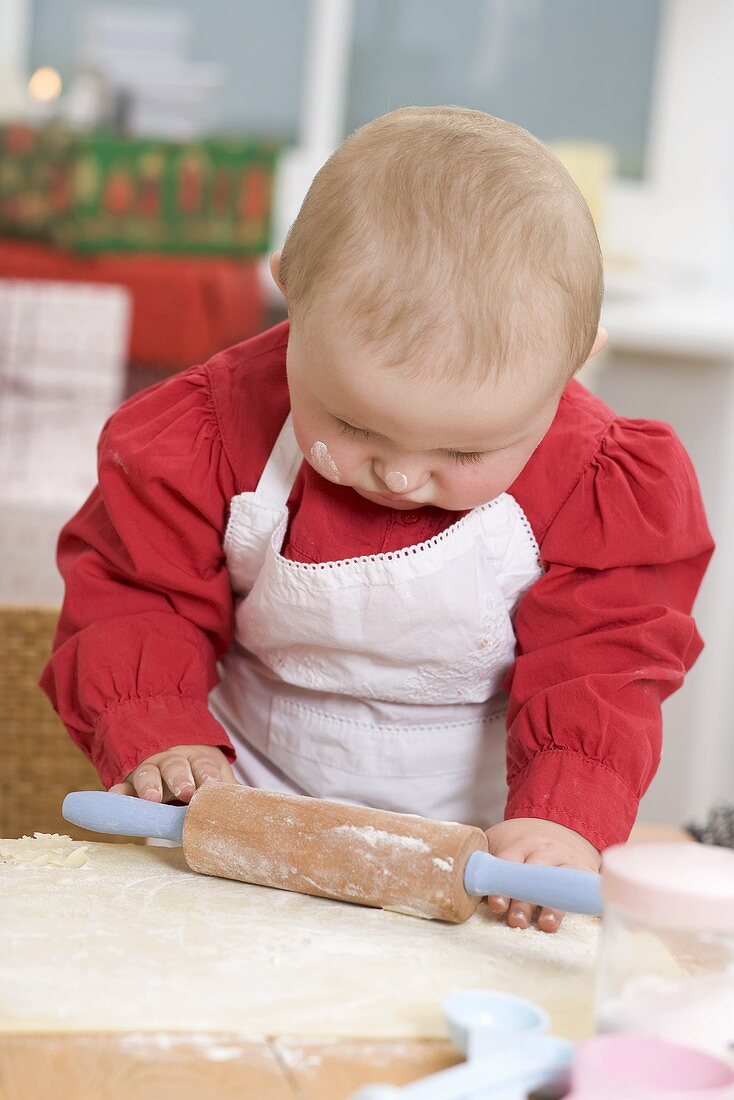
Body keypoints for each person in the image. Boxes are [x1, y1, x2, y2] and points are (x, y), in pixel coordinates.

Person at [41, 107, 713, 932]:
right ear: (290, 288)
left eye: (464, 455)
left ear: (575, 362)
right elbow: (139, 596)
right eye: (354, 427)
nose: (398, 474)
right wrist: (158, 733)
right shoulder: (204, 438)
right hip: (240, 814)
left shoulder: (596, 484)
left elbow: (602, 665)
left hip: (473, 850)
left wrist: (562, 815)